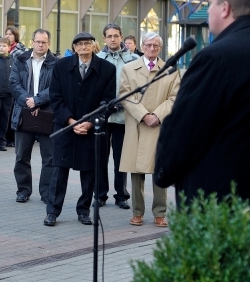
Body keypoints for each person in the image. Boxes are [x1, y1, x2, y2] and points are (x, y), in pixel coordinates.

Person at [156, 0, 250, 203]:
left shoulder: (215, 59)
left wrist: (165, 170)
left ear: (225, 8)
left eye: (211, 3)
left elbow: (184, 133)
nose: (209, 11)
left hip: (220, 206)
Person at [44, 32, 116, 227]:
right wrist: (70, 121)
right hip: (65, 127)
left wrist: (90, 122)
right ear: (74, 48)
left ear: (94, 46)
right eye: (79, 44)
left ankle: (84, 210)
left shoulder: (107, 69)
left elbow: (108, 101)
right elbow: (55, 97)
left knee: (89, 172)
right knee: (59, 171)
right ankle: (52, 211)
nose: (83, 47)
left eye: (87, 43)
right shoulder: (61, 66)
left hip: (91, 129)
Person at [119, 32, 179, 228]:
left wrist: (157, 116)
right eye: (148, 45)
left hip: (159, 126)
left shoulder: (170, 70)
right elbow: (125, 95)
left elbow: (174, 97)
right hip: (138, 124)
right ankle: (137, 212)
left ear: (160, 48)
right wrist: (144, 115)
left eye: (155, 45)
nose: (151, 48)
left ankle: (160, 213)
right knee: (136, 172)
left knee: (159, 170)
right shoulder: (128, 69)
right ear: (142, 46)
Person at [11, 29, 57, 204]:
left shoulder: (56, 63)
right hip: (24, 113)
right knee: (21, 156)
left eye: (44, 42)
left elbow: (56, 87)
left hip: (47, 113)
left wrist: (38, 101)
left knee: (49, 158)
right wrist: (29, 101)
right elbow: (14, 84)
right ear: (32, 42)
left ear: (49, 43)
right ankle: (23, 190)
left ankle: (46, 193)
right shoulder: (20, 60)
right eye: (37, 41)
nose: (40, 45)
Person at [95, 23, 138, 209]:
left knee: (121, 159)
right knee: (100, 158)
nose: (113, 39)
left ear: (121, 37)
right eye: (109, 36)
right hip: (102, 117)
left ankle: (121, 195)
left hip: (124, 116)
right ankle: (100, 195)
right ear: (104, 38)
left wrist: (123, 103)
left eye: (116, 36)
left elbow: (138, 87)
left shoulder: (134, 59)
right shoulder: (97, 59)